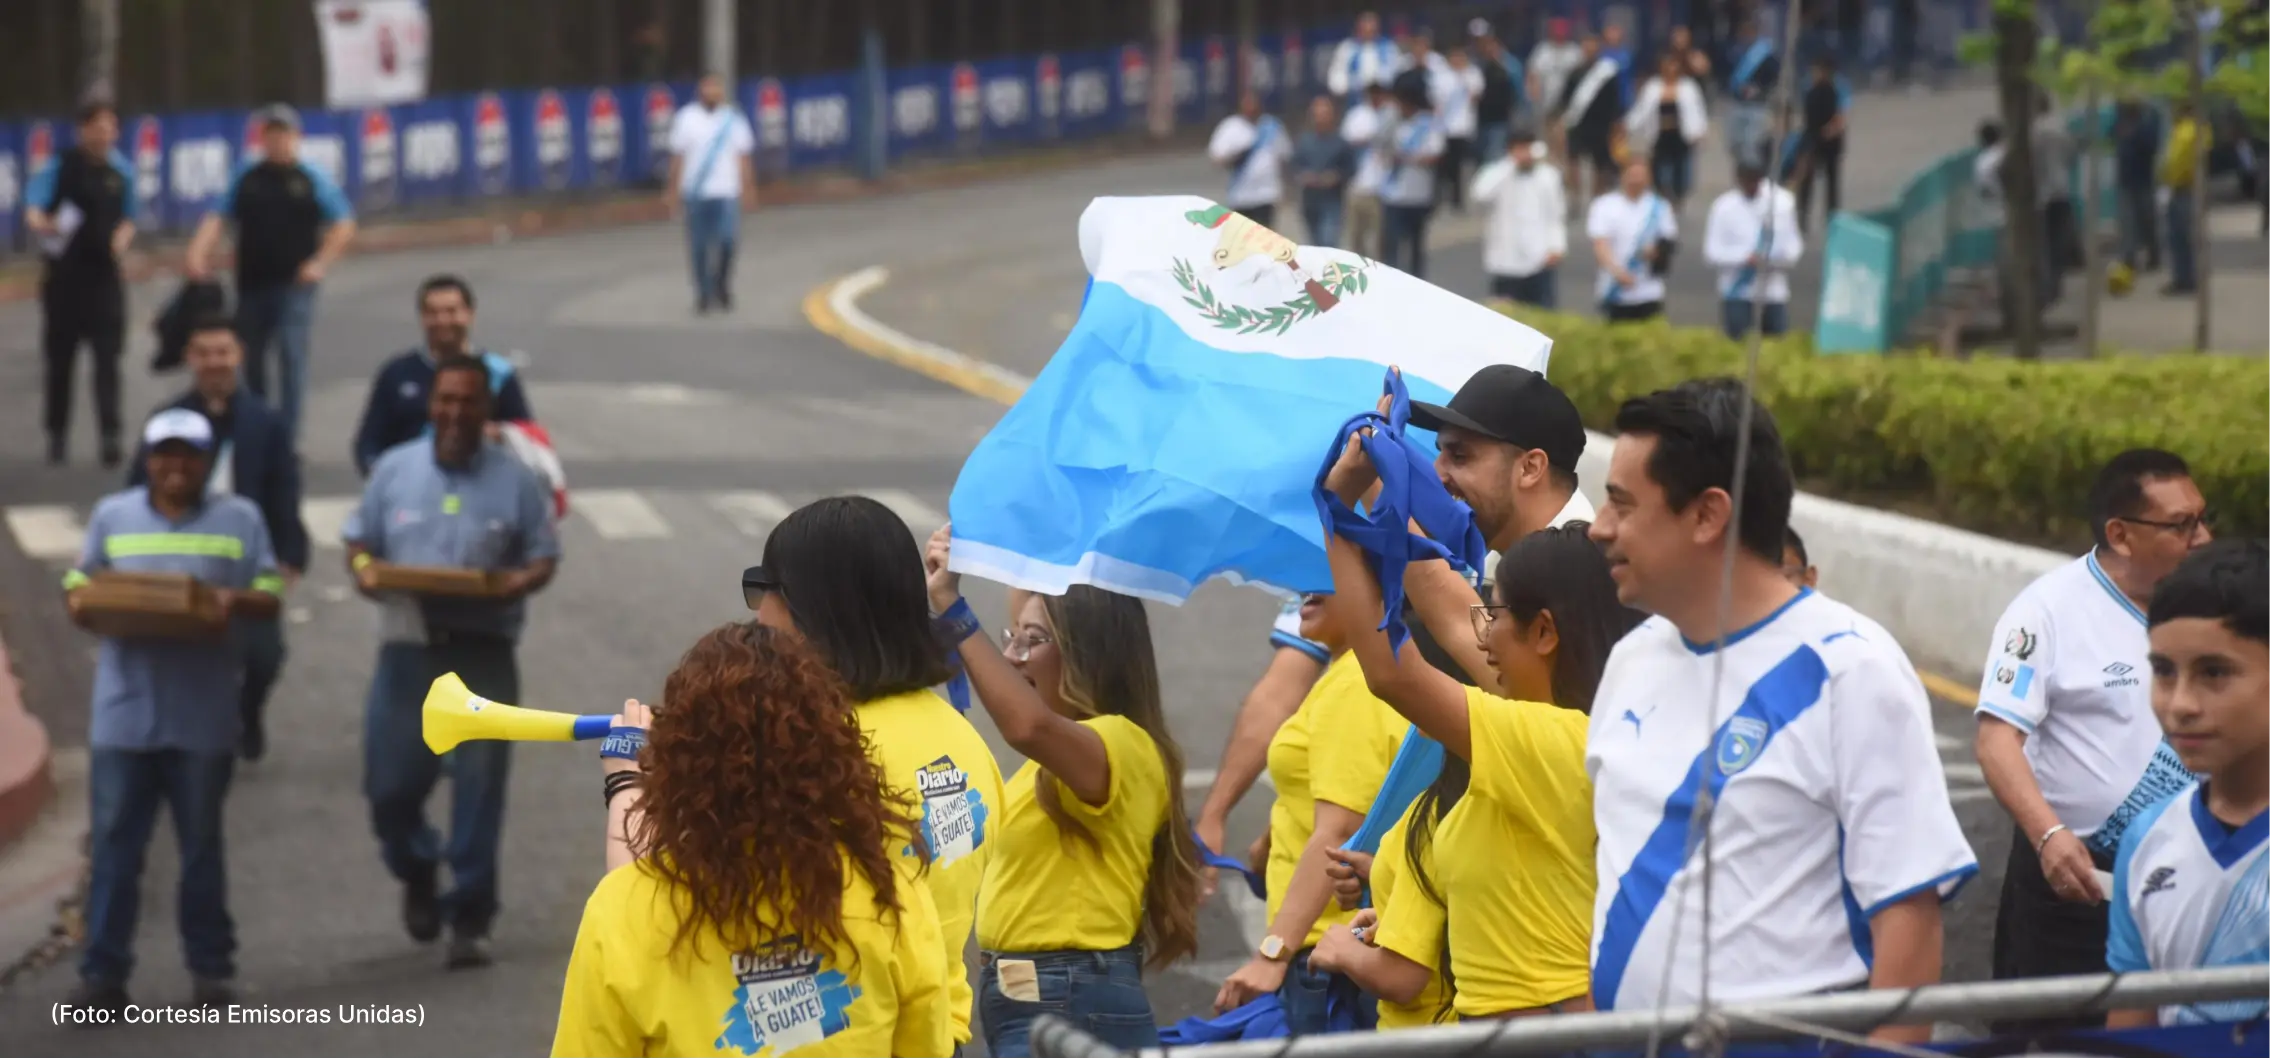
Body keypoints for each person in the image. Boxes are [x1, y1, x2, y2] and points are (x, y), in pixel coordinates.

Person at [1584, 379, 1974, 1046]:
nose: (1599, 527)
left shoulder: (1851, 670)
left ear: (1708, 514)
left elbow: (1909, 927)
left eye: (1622, 504)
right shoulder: (1632, 656)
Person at [554, 624, 953, 1057]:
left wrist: (626, 786)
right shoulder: (891, 895)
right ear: (830, 754)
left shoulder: (624, 909)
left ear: (680, 763)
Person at [1310, 521, 1644, 1022]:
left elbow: (1391, 674)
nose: (1483, 639)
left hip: (1545, 1035)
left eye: (1495, 615)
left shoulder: (1554, 739)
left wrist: (1339, 523)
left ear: (1544, 632)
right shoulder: (1550, 741)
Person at [746, 496, 1006, 1051]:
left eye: (764, 589)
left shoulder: (824, 751)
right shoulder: (963, 740)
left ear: (815, 607)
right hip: (940, 1030)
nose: (759, 615)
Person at [924, 538, 1201, 1056]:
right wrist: (1011, 540)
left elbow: (1025, 725)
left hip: (1067, 993)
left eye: (1032, 641)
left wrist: (953, 610)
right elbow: (1036, 600)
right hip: (1037, 993)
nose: (1011, 654)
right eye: (1013, 636)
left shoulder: (1122, 744)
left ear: (1085, 653)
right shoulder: (1069, 754)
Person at [1977, 449, 2214, 1032]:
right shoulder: (2045, 613)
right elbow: (1996, 739)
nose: (2203, 537)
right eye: (2181, 525)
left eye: (2204, 519)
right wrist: (2049, 836)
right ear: (2121, 534)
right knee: (2053, 1037)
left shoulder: (2216, 606)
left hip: (2192, 874)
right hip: (2078, 882)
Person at [61, 408, 283, 1015]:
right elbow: (80, 580)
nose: (175, 466)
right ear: (148, 459)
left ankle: (211, 969)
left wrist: (231, 600)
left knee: (201, 848)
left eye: (188, 454)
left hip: (202, 716)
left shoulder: (240, 519)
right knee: (113, 849)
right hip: (124, 715)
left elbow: (269, 591)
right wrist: (79, 601)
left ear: (207, 461)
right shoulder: (114, 516)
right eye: (165, 454)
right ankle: (103, 974)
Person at [345, 358, 562, 970]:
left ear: (486, 409)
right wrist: (365, 572)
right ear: (430, 404)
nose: (455, 413)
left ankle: (470, 915)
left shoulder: (517, 480)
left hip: (483, 650)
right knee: (390, 790)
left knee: (479, 785)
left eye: (468, 402)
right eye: (445, 400)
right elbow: (359, 541)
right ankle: (418, 866)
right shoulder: (393, 470)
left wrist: (515, 582)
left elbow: (543, 557)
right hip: (408, 647)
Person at [1210, 592, 1404, 1035]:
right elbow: (1335, 797)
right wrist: (1270, 842)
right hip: (1326, 950)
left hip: (1333, 956)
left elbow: (1340, 830)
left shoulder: (1358, 681)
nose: (1304, 585)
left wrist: (1272, 954)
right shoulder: (1345, 674)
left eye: (1325, 570)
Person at [125, 316, 305, 762]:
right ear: (190, 359)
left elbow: (284, 493)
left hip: (246, 562)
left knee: (265, 655)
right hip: (179, 558)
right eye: (204, 354)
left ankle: (248, 711)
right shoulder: (166, 420)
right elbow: (134, 490)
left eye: (222, 353)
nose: (214, 363)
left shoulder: (266, 423)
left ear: (239, 355)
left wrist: (289, 558)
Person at [2106, 539, 2270, 1028]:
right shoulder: (2146, 840)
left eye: (2214, 672)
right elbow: (2130, 1031)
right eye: (2163, 671)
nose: (2179, 704)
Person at [185, 104, 358, 443]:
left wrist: (319, 262)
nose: (278, 141)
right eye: (271, 134)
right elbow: (218, 216)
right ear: (262, 138)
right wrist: (197, 251)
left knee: (291, 357)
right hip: (251, 283)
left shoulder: (310, 177)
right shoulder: (247, 176)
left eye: (284, 134)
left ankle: (288, 435)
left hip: (294, 284)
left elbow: (344, 223)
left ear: (296, 138)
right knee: (250, 360)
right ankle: (254, 424)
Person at [25, 99, 136, 468]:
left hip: (104, 278)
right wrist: (44, 223)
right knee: (61, 362)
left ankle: (110, 435)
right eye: (96, 127)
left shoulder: (121, 172)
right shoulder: (60, 167)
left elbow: (129, 217)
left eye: (110, 127)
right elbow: (34, 209)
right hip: (64, 279)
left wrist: (122, 238)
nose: (103, 134)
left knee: (108, 361)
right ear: (82, 130)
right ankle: (57, 433)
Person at [352, 275, 537, 477]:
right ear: (421, 317)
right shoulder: (396, 373)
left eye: (451, 311)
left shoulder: (499, 373)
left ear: (469, 314)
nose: (442, 320)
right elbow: (368, 444)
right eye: (432, 312)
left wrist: (499, 435)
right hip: (411, 486)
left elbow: (527, 439)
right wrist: (384, 478)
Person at [664, 73, 759, 315]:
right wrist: (672, 192)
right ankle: (703, 295)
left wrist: (748, 188)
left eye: (715, 88)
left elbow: (743, 156)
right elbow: (678, 157)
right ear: (700, 90)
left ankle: (721, 284)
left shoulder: (733, 119)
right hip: (695, 192)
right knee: (698, 247)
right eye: (707, 87)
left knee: (728, 241)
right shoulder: (686, 119)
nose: (711, 92)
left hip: (726, 191)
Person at [1705, 160, 1805, 339]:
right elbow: (1712, 253)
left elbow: (1794, 247)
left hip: (1773, 292)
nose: (1752, 186)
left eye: (1755, 181)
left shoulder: (1781, 203)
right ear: (1738, 180)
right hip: (1737, 293)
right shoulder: (1723, 207)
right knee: (1737, 349)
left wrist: (1773, 260)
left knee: (1776, 349)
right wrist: (1744, 258)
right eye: (1747, 182)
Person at [1472, 128, 1567, 309]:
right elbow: (1480, 194)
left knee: (1543, 318)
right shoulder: (1497, 172)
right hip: (1505, 262)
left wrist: (1557, 246)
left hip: (1540, 260)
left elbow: (1556, 215)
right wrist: (1511, 164)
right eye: (1520, 148)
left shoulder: (1548, 176)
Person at [1589, 159, 1679, 323]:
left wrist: (1656, 251)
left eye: (1641, 175)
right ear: (1623, 176)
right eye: (1633, 175)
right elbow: (1600, 245)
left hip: (1649, 291)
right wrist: (1618, 273)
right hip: (1614, 290)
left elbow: (1669, 241)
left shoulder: (1660, 207)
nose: (1636, 180)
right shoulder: (1605, 205)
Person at [1377, 76, 1445, 278]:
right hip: (1393, 194)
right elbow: (1381, 148)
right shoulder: (1393, 122)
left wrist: (1408, 158)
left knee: (1415, 245)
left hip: (1418, 194)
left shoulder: (1428, 124)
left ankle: (1417, 283)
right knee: (1391, 245)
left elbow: (1434, 154)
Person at [1626, 52, 1709, 210]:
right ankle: (1663, 195)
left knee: (1681, 167)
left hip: (1681, 134)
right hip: (1660, 134)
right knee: (1660, 168)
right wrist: (1628, 125)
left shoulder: (1688, 87)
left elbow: (1697, 110)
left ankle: (1678, 196)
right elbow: (1641, 110)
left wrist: (1701, 130)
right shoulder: (1652, 87)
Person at [1210, 90, 1292, 230]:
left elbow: (1284, 158)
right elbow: (1216, 156)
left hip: (1267, 194)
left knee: (1265, 237)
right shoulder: (1231, 127)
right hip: (1241, 195)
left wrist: (1286, 189)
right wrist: (1235, 158)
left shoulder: (1272, 127)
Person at [1560, 36, 1626, 205]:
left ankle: (1598, 198)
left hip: (1600, 125)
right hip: (1577, 123)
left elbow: (1615, 99)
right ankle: (1575, 195)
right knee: (1573, 160)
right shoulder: (1575, 72)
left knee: (1600, 164)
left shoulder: (1607, 73)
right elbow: (1566, 98)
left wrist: (1616, 123)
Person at [1527, 19, 1587, 205]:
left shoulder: (1574, 53)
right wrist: (1534, 96)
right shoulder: (1542, 52)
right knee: (1551, 151)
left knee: (1568, 150)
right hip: (1548, 108)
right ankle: (1554, 190)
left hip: (1568, 109)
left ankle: (1573, 191)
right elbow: (1533, 76)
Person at [1293, 95, 1357, 249]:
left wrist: (1337, 176)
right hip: (1310, 200)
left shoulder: (1340, 142)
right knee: (1314, 245)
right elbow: (1295, 165)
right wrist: (1303, 176)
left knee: (1328, 242)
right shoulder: (1305, 141)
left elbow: (1351, 168)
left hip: (1332, 200)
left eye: (1324, 113)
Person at [1793, 57, 1847, 233]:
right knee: (1807, 183)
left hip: (1830, 142)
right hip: (1812, 140)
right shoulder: (1810, 90)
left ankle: (1833, 218)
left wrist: (1832, 129)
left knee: (1831, 183)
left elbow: (1841, 114)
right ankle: (1802, 218)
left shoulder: (1836, 90)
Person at [1340, 81, 1393, 259]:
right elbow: (1346, 144)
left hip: (1383, 189)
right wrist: (1368, 140)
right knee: (1356, 240)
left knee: (1379, 241)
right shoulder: (1357, 116)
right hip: (1357, 185)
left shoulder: (1391, 114)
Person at [2162, 102, 2209, 297]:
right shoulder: (2197, 130)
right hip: (2186, 187)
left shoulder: (2186, 132)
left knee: (2180, 237)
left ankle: (2184, 279)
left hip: (2183, 187)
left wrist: (2168, 177)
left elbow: (2175, 161)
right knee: (2182, 237)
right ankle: (2185, 278)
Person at [1726, 19, 1783, 170]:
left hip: (1757, 106)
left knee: (1752, 144)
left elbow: (1774, 77)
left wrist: (1759, 88)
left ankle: (1754, 176)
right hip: (1738, 104)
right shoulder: (1735, 53)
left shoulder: (1764, 55)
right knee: (1736, 143)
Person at [2114, 100, 2163, 272]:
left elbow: (2152, 146)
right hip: (2126, 180)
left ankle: (2153, 254)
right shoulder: (2121, 123)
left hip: (2143, 180)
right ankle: (2129, 257)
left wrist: (2134, 133)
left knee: (2147, 219)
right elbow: (2111, 135)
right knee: (2128, 221)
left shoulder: (2146, 124)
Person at [1436, 46, 1480, 213]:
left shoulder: (1472, 73)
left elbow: (1476, 95)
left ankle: (1458, 200)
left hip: (1463, 127)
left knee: (1460, 166)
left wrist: (1463, 78)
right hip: (1444, 128)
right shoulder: (1441, 76)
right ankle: (1441, 197)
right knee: (1445, 166)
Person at [1470, 23, 1522, 163]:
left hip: (1500, 121)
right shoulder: (1474, 64)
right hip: (1478, 121)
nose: (1484, 46)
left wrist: (1517, 115)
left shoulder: (1509, 64)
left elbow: (1518, 92)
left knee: (1494, 159)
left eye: (1486, 42)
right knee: (1479, 162)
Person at [1327, 11, 1400, 107]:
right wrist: (1351, 85)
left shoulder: (1389, 47)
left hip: (1385, 103)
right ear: (1359, 28)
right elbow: (1336, 77)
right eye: (1365, 27)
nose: (1369, 31)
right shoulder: (1347, 48)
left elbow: (1398, 72)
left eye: (1372, 28)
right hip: (1355, 103)